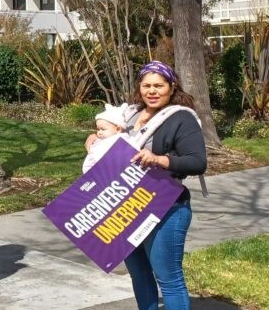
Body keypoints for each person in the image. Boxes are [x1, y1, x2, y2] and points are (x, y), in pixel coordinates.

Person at [85, 61, 207, 310]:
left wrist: (158, 159)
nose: (152, 91)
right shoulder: (127, 115)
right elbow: (109, 138)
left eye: (159, 86)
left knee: (169, 279)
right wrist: (94, 139)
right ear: (139, 87)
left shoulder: (181, 118)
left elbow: (197, 162)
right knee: (139, 274)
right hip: (126, 207)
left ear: (172, 87)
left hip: (166, 208)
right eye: (147, 85)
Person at [82, 103, 133, 173]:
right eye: (98, 129)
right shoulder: (102, 141)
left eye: (103, 129)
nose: (99, 132)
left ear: (118, 129)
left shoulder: (121, 140)